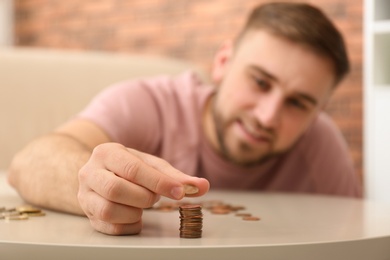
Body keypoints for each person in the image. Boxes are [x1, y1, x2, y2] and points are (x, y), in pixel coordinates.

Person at [7, 2, 362, 235]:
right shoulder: (148, 102)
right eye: (259, 82)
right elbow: (28, 163)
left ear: (318, 112)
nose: (267, 117)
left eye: (299, 104)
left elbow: (357, 240)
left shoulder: (321, 143)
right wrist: (89, 184)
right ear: (223, 62)